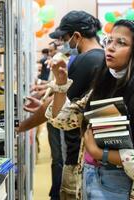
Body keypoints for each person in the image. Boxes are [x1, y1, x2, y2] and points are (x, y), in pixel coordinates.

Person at [46, 19, 134, 200]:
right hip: (88, 175)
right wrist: (61, 85)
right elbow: (62, 119)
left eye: (121, 43)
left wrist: (100, 153)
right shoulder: (101, 88)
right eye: (109, 41)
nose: (110, 47)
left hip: (121, 183)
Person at [18, 10, 105, 200]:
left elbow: (58, 107)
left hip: (78, 155)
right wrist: (44, 102)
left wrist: (21, 127)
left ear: (76, 36)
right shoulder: (102, 58)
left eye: (65, 38)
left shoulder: (85, 60)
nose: (63, 44)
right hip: (94, 152)